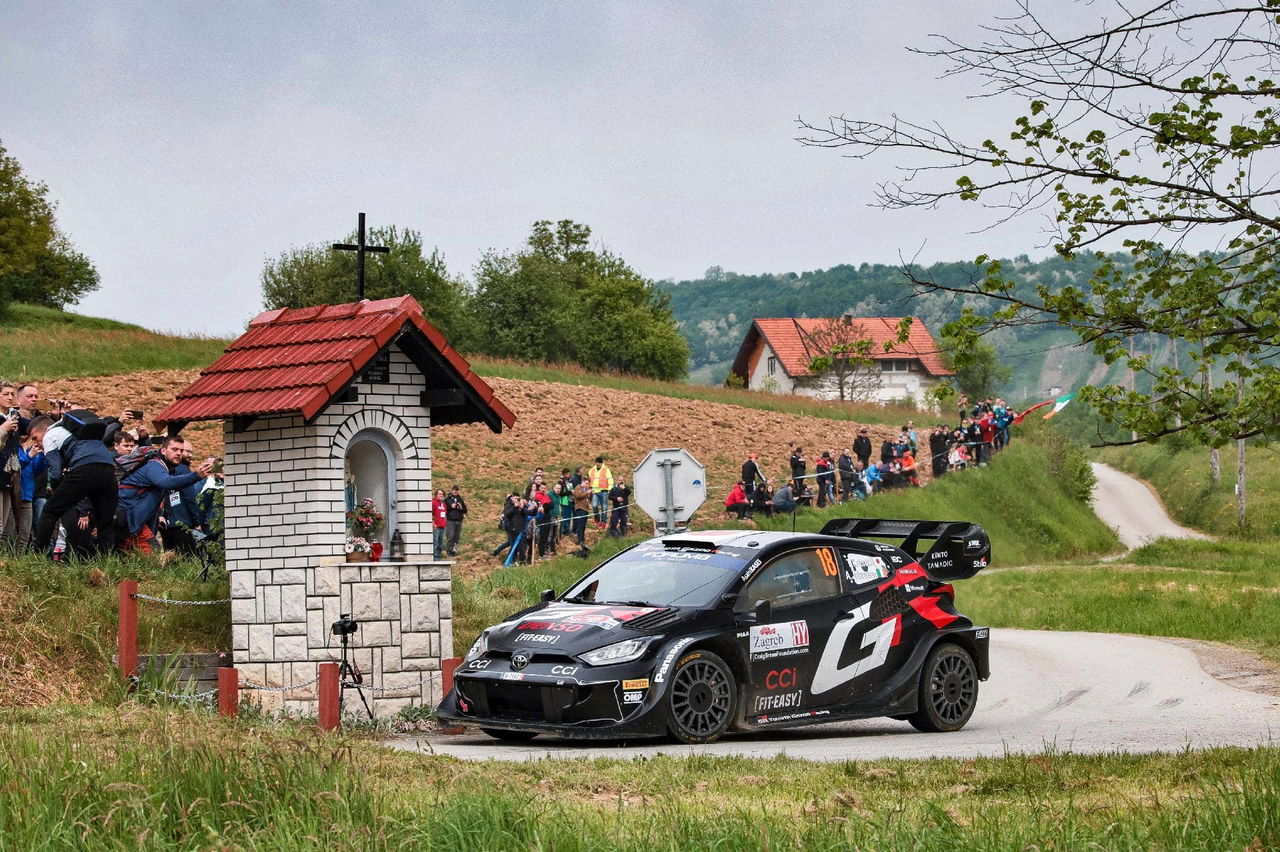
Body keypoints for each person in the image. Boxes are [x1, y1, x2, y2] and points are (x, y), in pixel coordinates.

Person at [34, 409, 120, 556]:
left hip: (84, 468)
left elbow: (55, 472)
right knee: (105, 520)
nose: (37, 443)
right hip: (108, 468)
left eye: (36, 438)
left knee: (50, 511)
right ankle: (105, 560)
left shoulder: (50, 435)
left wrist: (57, 492)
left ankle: (38, 554)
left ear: (44, 430)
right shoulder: (85, 432)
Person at [117, 435, 212, 554]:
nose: (179, 453)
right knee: (151, 556)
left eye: (181, 450)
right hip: (127, 520)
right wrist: (196, 476)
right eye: (174, 449)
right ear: (163, 451)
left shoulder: (163, 468)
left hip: (131, 522)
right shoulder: (154, 466)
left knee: (134, 559)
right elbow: (166, 482)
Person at [160, 440, 209, 556]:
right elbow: (189, 498)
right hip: (183, 524)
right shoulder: (183, 471)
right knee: (188, 558)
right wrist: (196, 522)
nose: (189, 455)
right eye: (186, 451)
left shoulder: (165, 471)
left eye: (189, 452)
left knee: (171, 560)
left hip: (167, 524)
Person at [587, 456, 613, 529]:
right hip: (595, 492)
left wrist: (610, 489)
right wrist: (589, 488)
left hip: (604, 491)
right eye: (596, 462)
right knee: (594, 506)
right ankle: (597, 519)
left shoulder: (606, 470)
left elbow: (610, 479)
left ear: (602, 463)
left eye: (599, 462)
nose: (597, 464)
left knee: (604, 508)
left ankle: (603, 523)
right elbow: (588, 479)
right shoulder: (592, 470)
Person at [443, 485, 467, 557]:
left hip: (459, 520)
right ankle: (449, 551)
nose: (455, 491)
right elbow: (444, 509)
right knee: (451, 536)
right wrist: (451, 507)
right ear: (452, 490)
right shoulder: (447, 499)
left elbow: (465, 510)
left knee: (457, 537)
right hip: (451, 520)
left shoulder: (460, 499)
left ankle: (454, 550)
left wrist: (460, 507)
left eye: (456, 490)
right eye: (454, 490)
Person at [571, 478, 592, 546]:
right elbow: (578, 496)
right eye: (586, 483)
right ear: (582, 482)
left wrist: (591, 494)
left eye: (588, 484)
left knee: (583, 525)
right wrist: (586, 493)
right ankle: (579, 539)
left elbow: (589, 500)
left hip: (586, 509)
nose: (587, 485)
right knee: (580, 525)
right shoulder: (578, 487)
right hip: (580, 508)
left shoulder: (586, 490)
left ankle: (582, 538)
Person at [431, 488, 448, 560]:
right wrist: (433, 523)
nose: (441, 495)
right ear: (436, 495)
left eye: (442, 494)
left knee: (440, 544)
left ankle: (438, 557)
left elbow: (445, 514)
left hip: (442, 526)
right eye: (439, 494)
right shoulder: (433, 503)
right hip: (436, 526)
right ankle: (434, 558)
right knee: (435, 543)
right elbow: (429, 514)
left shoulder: (444, 504)